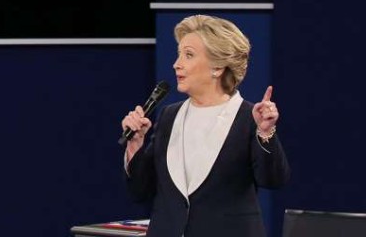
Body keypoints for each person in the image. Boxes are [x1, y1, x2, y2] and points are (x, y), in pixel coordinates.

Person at [121, 14, 290, 237]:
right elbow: (141, 191)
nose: (176, 64)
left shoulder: (249, 117)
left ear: (218, 67)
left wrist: (265, 133)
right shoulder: (169, 117)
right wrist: (135, 144)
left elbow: (274, 179)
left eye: (188, 55)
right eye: (178, 54)